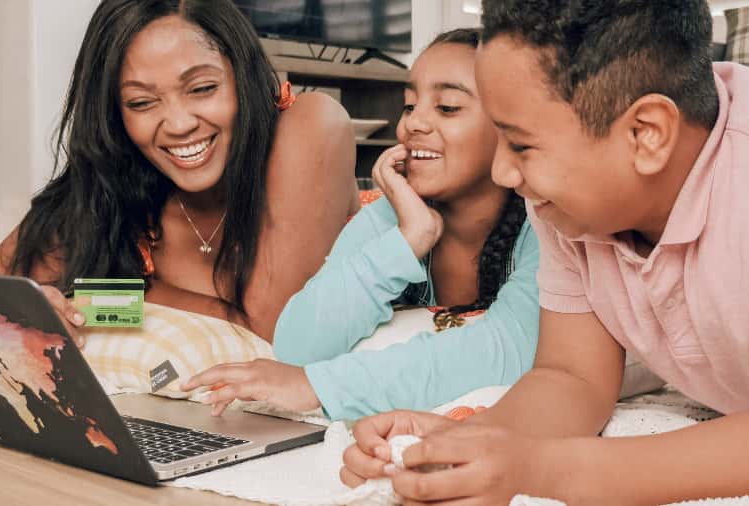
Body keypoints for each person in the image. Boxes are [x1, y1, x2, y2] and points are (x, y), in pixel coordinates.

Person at [340, 0, 749, 503]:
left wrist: (543, 469)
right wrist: (473, 445)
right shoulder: (568, 197)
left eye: (519, 145)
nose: (503, 174)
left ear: (645, 133)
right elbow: (573, 377)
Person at [181, 29, 540, 420]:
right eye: (409, 106)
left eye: (447, 107)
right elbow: (297, 346)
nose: (413, 124)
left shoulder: (546, 226)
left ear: (511, 127)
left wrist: (320, 386)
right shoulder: (393, 215)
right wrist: (408, 240)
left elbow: (510, 350)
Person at [0, 0, 358, 345]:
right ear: (115, 115)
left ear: (243, 80)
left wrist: (96, 299)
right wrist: (44, 304)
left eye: (202, 88)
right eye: (141, 102)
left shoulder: (309, 126)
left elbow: (273, 331)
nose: (177, 124)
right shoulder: (115, 192)